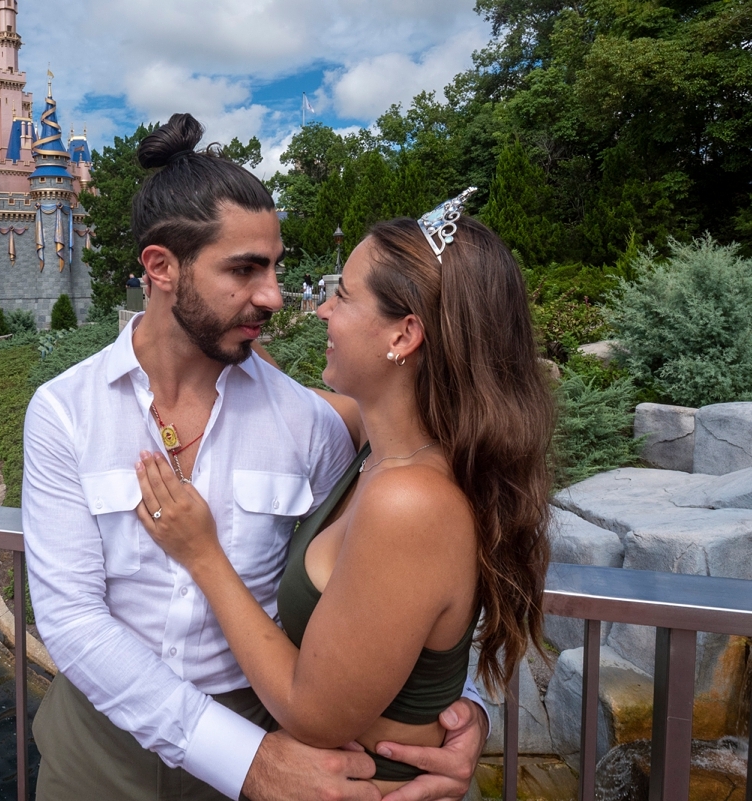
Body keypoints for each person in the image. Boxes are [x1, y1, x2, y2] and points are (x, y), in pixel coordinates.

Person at [23, 113, 491, 801]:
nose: (275, 295)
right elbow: (71, 620)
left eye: (274, 265)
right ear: (161, 268)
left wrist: (459, 707)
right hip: (100, 751)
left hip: (272, 735)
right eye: (245, 270)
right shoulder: (64, 410)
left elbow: (396, 581)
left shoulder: (310, 422)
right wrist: (244, 759)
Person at [133, 191, 555, 794]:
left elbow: (313, 711)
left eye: (344, 295)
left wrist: (202, 554)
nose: (320, 309)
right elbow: (271, 391)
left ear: (405, 335)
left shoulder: (408, 501)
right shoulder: (379, 445)